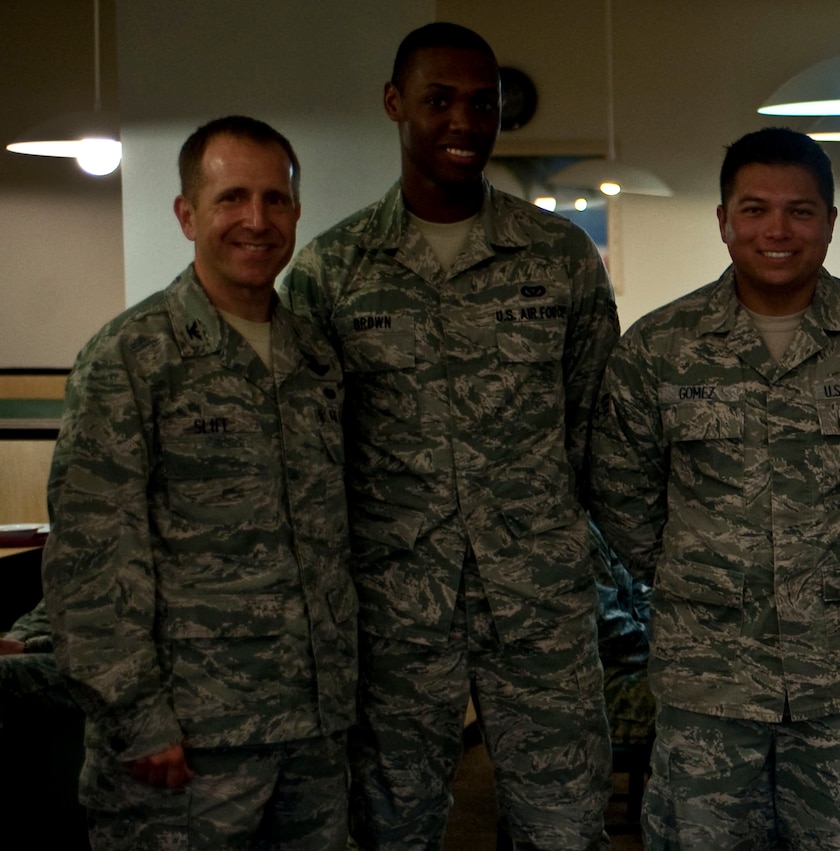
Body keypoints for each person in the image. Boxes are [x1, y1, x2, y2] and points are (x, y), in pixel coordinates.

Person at [282, 22, 619, 850]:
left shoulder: (559, 257)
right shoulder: (333, 271)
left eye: (483, 103)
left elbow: (593, 426)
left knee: (566, 828)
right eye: (440, 100)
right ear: (394, 103)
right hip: (394, 610)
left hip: (539, 604)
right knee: (390, 828)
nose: (465, 121)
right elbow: (312, 456)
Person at [591, 127, 840, 849]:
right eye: (755, 208)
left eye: (800, 211)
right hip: (709, 683)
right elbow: (621, 492)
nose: (777, 230)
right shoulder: (659, 348)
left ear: (830, 222)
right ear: (723, 220)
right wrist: (701, 573)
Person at [44, 115, 355, 850]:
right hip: (186, 745)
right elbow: (91, 559)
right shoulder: (131, 357)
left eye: (275, 199)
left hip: (312, 734)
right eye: (231, 198)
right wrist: (137, 717)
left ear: (297, 212)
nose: (256, 220)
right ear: (187, 215)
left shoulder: (315, 356)